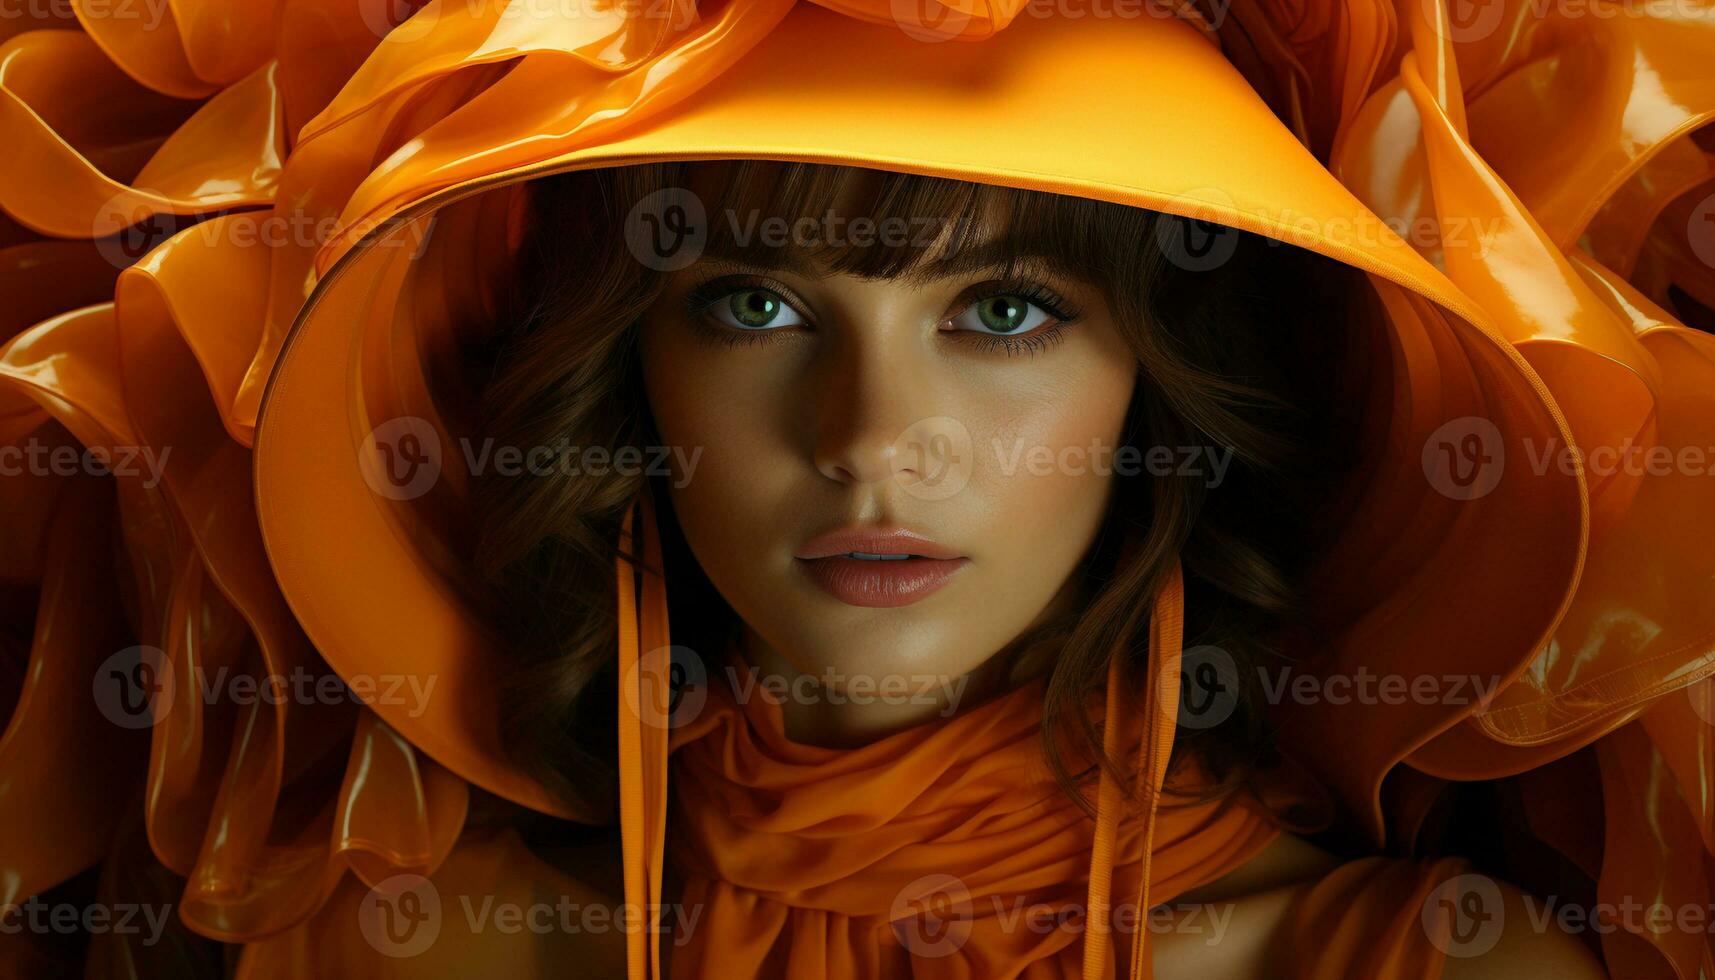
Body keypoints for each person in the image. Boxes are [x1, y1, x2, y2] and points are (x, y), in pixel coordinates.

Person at [0, 0, 1710, 977]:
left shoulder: (1426, 970)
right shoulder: (392, 953)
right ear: (622, 374)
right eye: (754, 304)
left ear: (1159, 385)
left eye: (1007, 310)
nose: (874, 436)